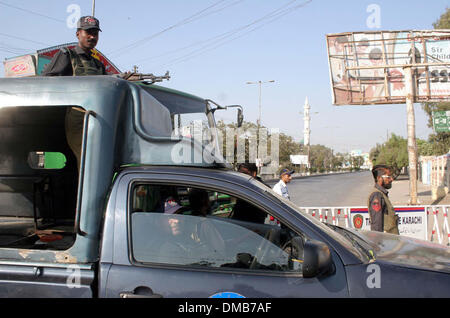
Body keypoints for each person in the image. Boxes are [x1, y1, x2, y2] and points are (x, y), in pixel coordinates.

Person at [42, 16, 107, 170]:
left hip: (97, 117)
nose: (92, 36)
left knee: (98, 159)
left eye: (95, 33)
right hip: (77, 116)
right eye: (88, 32)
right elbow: (47, 82)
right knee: (86, 159)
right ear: (78, 34)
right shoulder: (66, 56)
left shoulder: (97, 64)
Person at [367, 164, 399, 234]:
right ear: (379, 178)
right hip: (386, 241)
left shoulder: (382, 194)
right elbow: (376, 224)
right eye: (388, 177)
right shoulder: (377, 195)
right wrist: (377, 242)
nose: (391, 179)